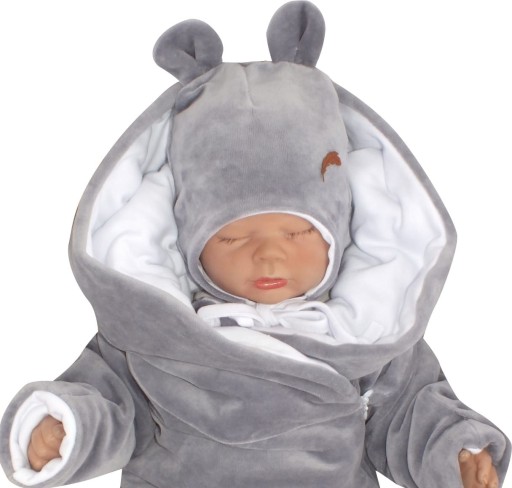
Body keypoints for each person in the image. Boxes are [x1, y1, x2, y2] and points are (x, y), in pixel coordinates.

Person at [1, 2, 510, 488]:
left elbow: (410, 414)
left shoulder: (369, 334)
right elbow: (106, 401)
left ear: (342, 230)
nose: (268, 254)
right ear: (190, 240)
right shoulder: (151, 334)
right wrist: (65, 426)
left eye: (299, 232)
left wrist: (456, 456)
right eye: (233, 236)